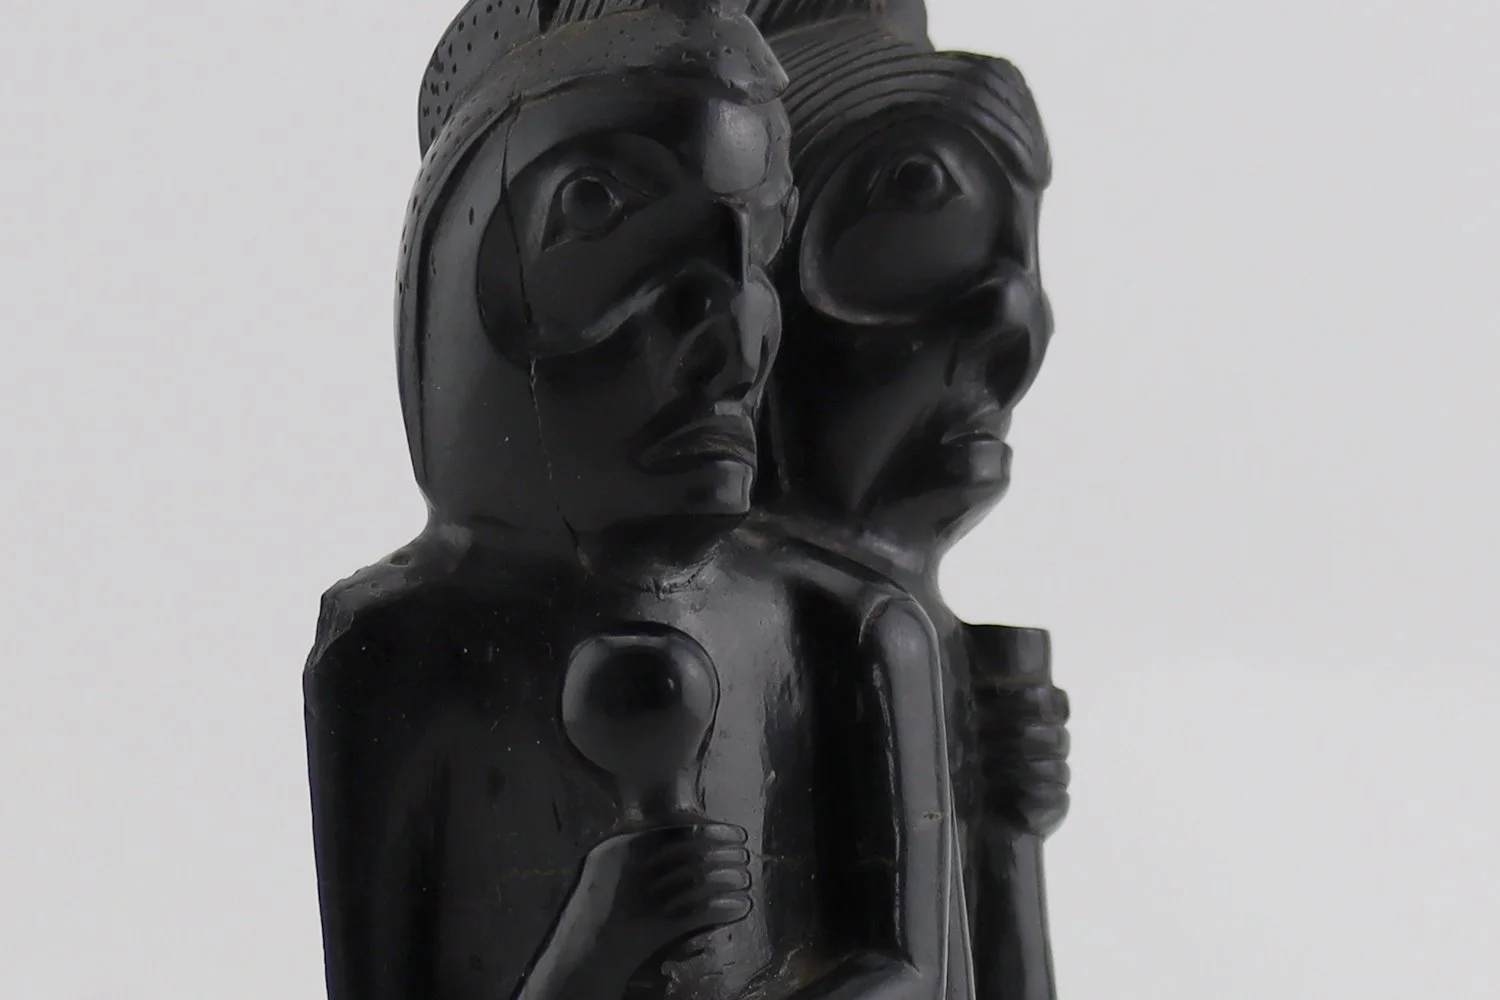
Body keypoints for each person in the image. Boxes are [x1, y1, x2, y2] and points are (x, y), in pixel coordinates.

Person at [304, 3, 955, 1000]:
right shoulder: (395, 651)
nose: (739, 346)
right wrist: (595, 948)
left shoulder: (849, 631)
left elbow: (921, 975)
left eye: (758, 254)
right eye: (609, 220)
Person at [746, 9, 1073, 1000]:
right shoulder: (718, 633)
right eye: (918, 234)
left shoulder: (910, 632)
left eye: (1017, 263)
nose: (1016, 324)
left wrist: (1005, 837)